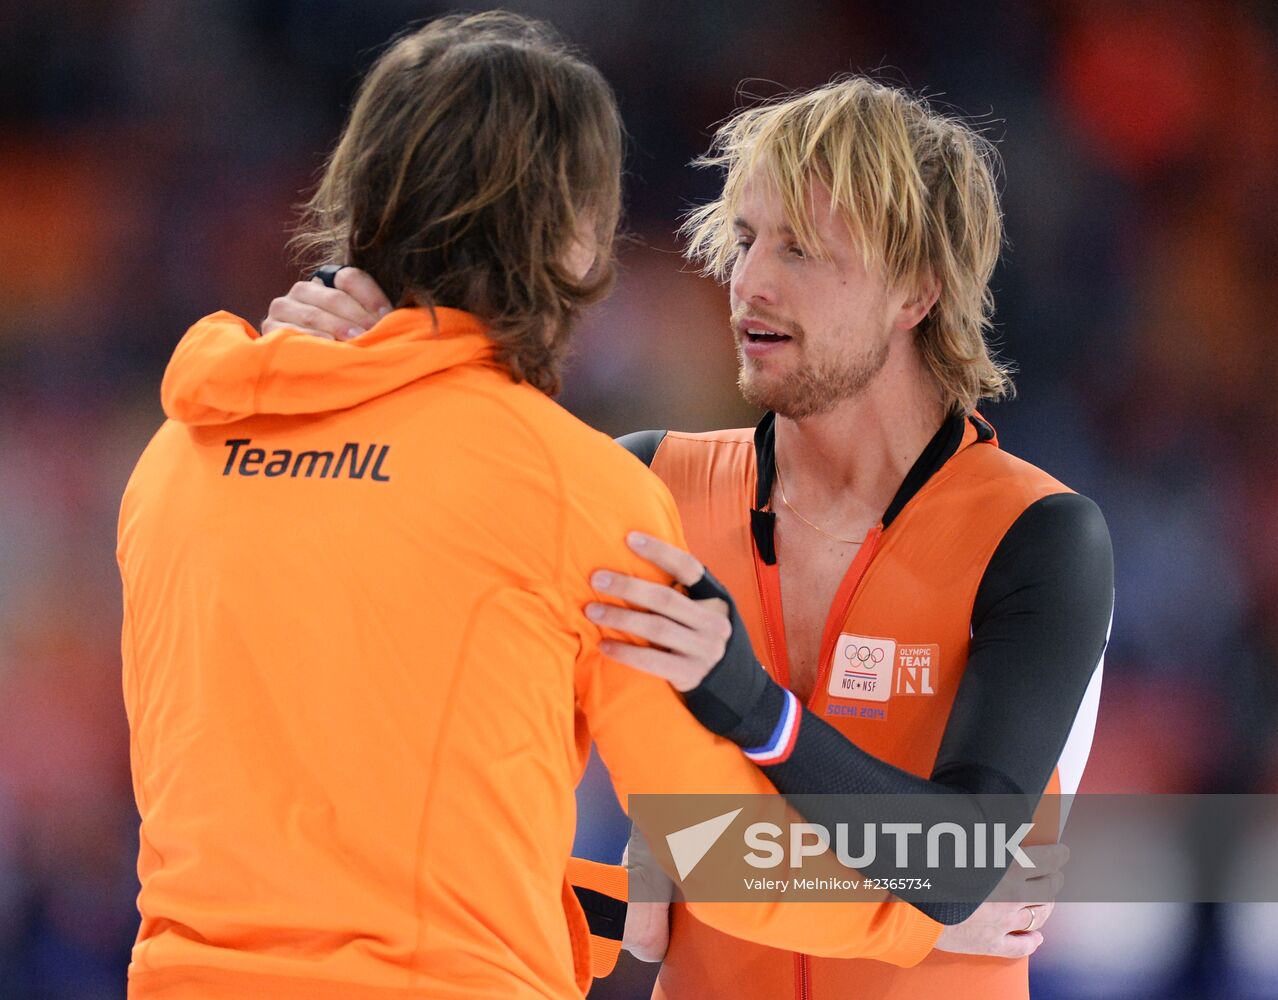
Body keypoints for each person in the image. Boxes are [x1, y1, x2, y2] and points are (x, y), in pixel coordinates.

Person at [117, 15, 1035, 1000]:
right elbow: (713, 838)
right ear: (571, 235)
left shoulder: (180, 453)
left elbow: (335, 847)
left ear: (361, 197)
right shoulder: (573, 489)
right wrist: (919, 913)